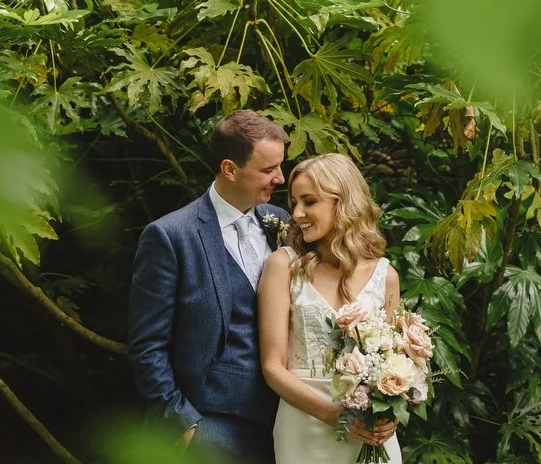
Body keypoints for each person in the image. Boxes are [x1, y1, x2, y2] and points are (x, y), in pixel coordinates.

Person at [128, 109, 290, 463]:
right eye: (267, 170)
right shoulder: (171, 236)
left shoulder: (283, 224)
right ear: (230, 168)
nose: (280, 178)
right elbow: (147, 345)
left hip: (286, 422)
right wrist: (184, 424)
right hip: (209, 424)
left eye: (280, 166)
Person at [259, 153, 401, 463]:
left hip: (369, 430)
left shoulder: (386, 275)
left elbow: (396, 364)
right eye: (294, 202)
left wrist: (394, 415)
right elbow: (272, 367)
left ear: (343, 202)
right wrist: (330, 415)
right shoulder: (283, 266)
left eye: (309, 202)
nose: (297, 213)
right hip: (304, 426)